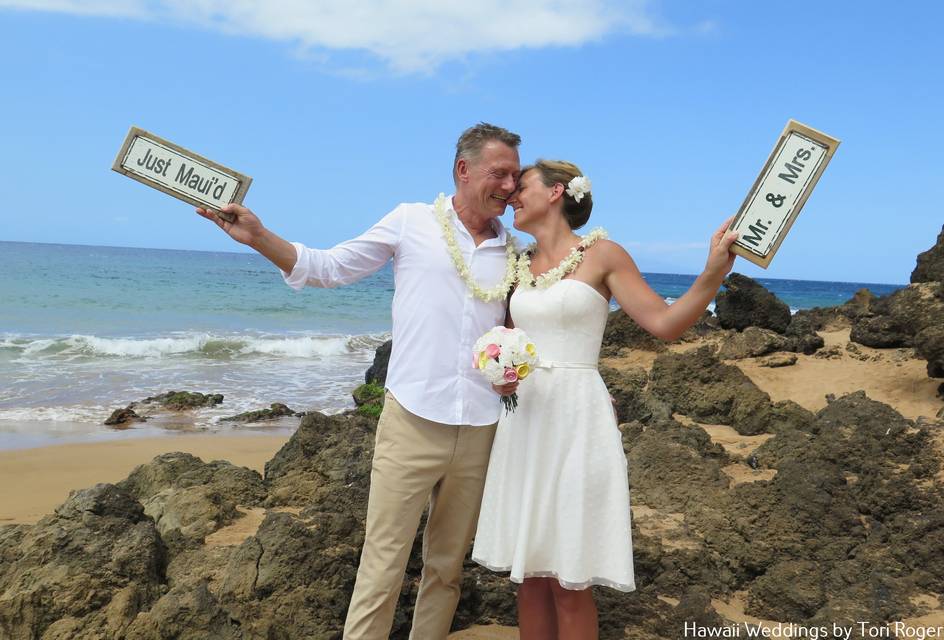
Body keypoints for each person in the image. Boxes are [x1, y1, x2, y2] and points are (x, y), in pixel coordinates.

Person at [196, 123, 523, 639]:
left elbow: (519, 331)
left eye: (515, 176)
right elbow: (329, 268)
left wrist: (519, 376)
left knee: (447, 568)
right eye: (498, 173)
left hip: (482, 426)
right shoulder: (411, 221)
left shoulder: (515, 253)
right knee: (382, 563)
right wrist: (258, 237)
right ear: (463, 170)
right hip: (412, 419)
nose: (508, 186)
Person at [470, 159, 738, 640]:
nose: (511, 194)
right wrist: (499, 378)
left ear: (555, 192)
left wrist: (712, 273)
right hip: (525, 421)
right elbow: (508, 343)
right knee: (528, 576)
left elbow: (665, 324)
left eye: (521, 186)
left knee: (570, 581)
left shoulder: (603, 255)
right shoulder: (518, 267)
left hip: (578, 418)